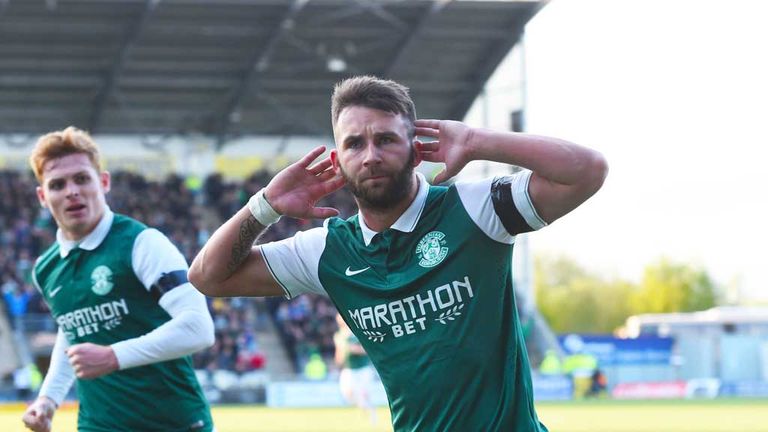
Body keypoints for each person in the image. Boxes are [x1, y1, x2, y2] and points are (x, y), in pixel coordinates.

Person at [189, 75, 608, 431]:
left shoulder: (475, 210)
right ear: (338, 160)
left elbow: (587, 171)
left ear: (415, 147)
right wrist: (266, 205)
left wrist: (478, 141)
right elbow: (208, 277)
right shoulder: (328, 250)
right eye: (354, 144)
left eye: (386, 139)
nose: (370, 155)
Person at [22, 127, 215, 432]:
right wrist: (48, 398)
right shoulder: (45, 268)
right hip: (97, 425)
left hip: (172, 424)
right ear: (43, 197)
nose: (72, 191)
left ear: (104, 182)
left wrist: (113, 356)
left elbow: (199, 328)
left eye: (82, 179)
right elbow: (72, 331)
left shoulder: (142, 243)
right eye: (58, 184)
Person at [333, 313, 377, 423]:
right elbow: (339, 352)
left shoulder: (357, 332)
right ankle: (363, 406)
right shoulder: (339, 335)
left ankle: (371, 413)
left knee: (363, 392)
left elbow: (368, 349)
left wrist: (354, 349)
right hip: (348, 369)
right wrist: (338, 362)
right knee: (347, 393)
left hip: (363, 368)